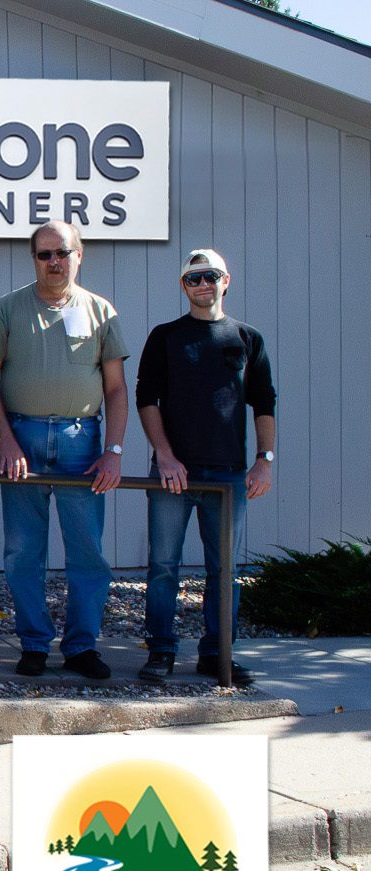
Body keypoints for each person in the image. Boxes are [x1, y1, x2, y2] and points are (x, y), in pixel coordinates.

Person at [0, 221, 130, 680]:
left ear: (79, 255)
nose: (54, 262)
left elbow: (117, 389)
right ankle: (34, 644)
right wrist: (5, 440)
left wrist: (114, 450)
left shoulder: (101, 311)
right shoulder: (8, 309)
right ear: (34, 259)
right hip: (21, 438)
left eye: (62, 252)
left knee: (88, 552)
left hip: (82, 443)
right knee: (23, 551)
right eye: (44, 254)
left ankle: (82, 646)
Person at [136, 249, 276, 686]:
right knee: (163, 566)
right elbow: (146, 399)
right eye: (194, 278)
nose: (203, 285)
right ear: (183, 286)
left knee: (224, 570)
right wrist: (164, 454)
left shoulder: (247, 338)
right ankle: (160, 650)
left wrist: (264, 461)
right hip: (172, 475)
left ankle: (218, 655)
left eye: (210, 276)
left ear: (226, 280)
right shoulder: (165, 337)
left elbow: (264, 403)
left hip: (228, 475)